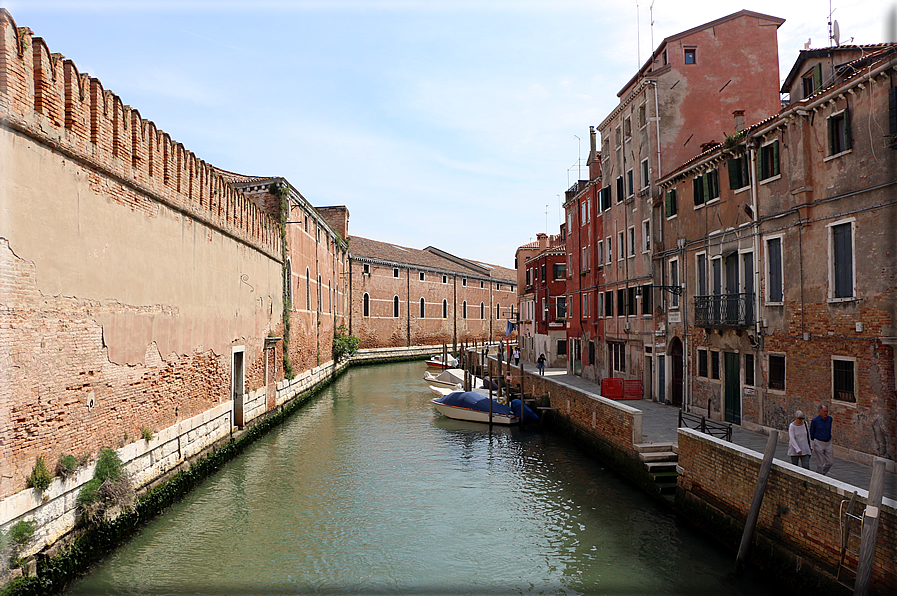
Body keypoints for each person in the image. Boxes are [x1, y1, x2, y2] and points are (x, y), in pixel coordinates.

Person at [810, 404, 833, 475]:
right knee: (820, 461)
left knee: (830, 461)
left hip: (828, 442)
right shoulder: (815, 421)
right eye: (824, 411)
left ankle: (822, 473)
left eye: (827, 411)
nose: (826, 413)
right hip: (819, 441)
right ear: (820, 411)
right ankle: (820, 475)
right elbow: (812, 431)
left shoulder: (830, 419)